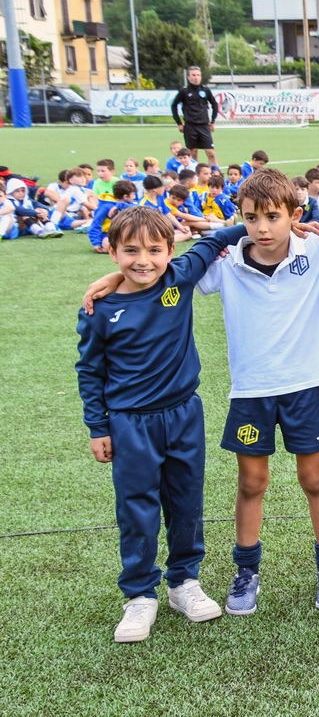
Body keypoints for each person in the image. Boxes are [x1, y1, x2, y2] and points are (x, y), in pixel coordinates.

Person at [76, 208, 246, 642]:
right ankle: (139, 594)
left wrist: (266, 226)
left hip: (184, 415)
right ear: (112, 252)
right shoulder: (100, 308)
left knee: (186, 501)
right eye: (130, 251)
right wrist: (97, 427)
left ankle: (184, 581)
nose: (143, 260)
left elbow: (216, 239)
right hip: (130, 424)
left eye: (154, 250)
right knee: (137, 508)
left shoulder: (178, 278)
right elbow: (90, 370)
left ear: (171, 251)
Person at [196, 169, 319, 615]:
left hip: (303, 388)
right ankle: (246, 571)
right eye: (251, 218)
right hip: (251, 392)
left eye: (272, 217)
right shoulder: (226, 263)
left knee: (314, 479)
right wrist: (226, 234)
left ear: (295, 215)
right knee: (252, 482)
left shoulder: (315, 249)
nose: (262, 228)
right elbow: (178, 272)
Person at [170, 66, 219, 167]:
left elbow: (214, 104)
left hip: (204, 125)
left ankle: (215, 173)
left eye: (198, 75)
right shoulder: (184, 91)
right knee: (192, 153)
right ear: (188, 77)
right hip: (190, 126)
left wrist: (213, 121)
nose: (196, 77)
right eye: (193, 75)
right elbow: (174, 105)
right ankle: (194, 173)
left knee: (210, 152)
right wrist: (179, 123)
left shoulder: (205, 90)